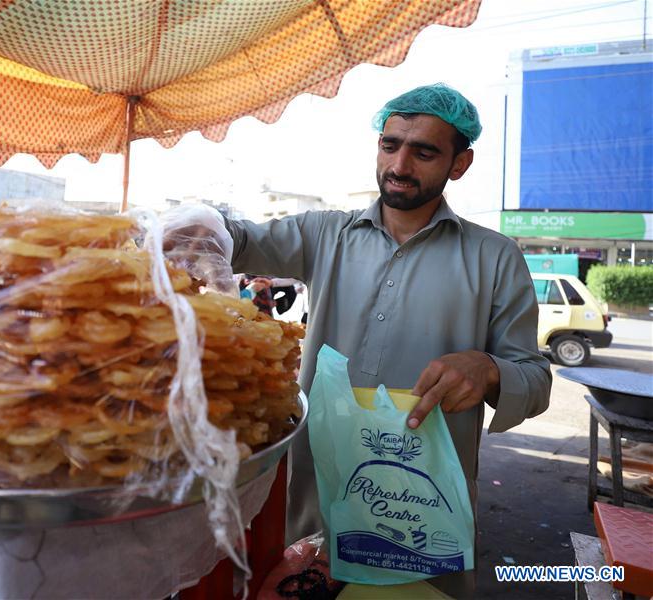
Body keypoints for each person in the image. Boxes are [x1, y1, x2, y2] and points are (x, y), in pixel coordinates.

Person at [164, 83, 552, 598]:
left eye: (424, 151)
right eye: (390, 145)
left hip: (422, 506)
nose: (400, 164)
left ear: (460, 164)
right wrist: (194, 226)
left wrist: (489, 368)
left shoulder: (495, 257)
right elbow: (240, 239)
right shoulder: (327, 234)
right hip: (317, 491)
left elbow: (536, 376)